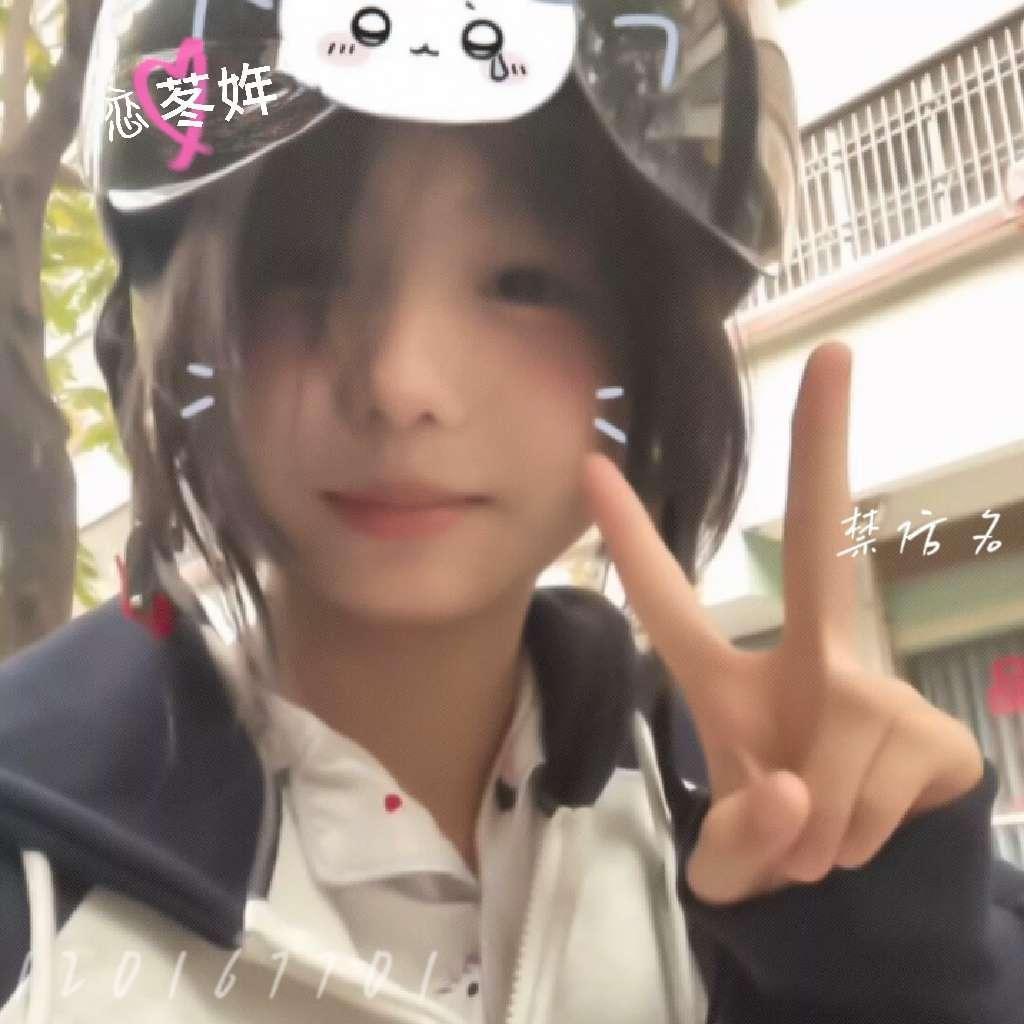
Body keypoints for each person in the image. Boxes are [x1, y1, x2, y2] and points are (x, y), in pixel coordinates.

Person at [1, 1, 1022, 1022]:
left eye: (523, 282)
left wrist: (889, 967)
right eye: (301, 272)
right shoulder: (28, 879)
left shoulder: (767, 826)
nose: (401, 382)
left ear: (653, 345)